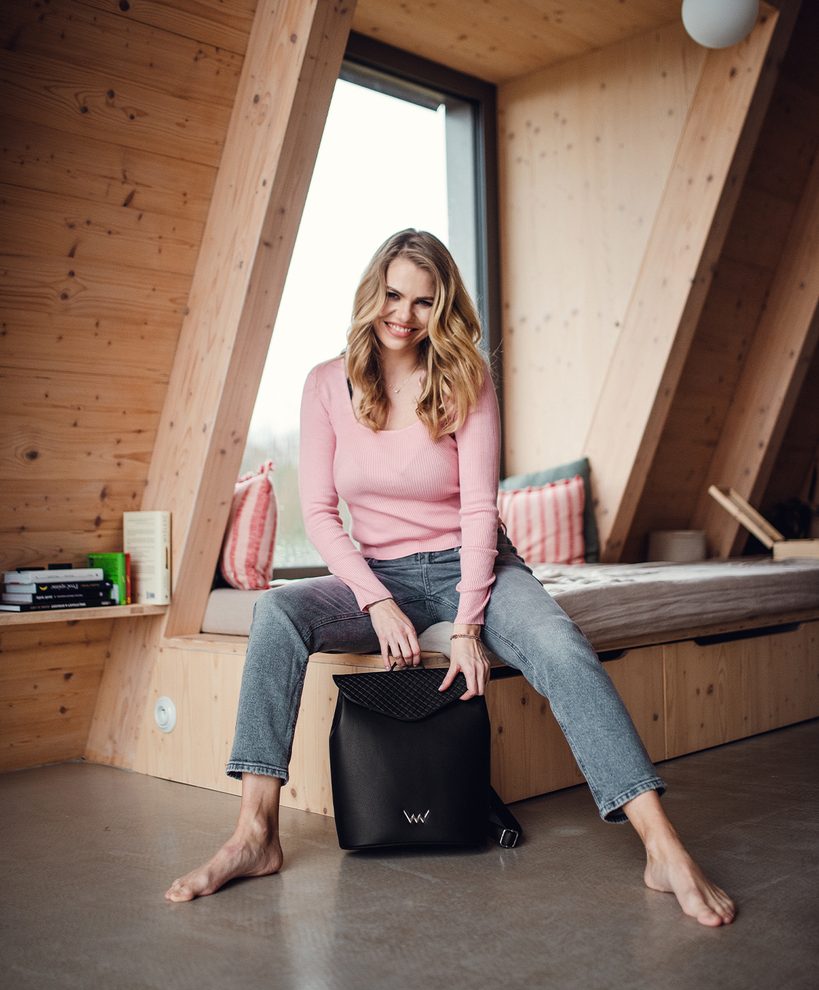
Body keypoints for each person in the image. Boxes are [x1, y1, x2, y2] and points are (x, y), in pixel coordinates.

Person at [166, 229, 735, 926]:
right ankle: (255, 833)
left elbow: (476, 510)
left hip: (474, 564)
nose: (403, 315)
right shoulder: (325, 384)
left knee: (560, 647)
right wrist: (375, 600)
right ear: (372, 292)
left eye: (423, 302)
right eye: (393, 295)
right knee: (277, 613)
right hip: (380, 574)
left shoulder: (466, 378)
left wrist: (466, 625)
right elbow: (318, 514)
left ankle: (662, 848)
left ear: (443, 308)